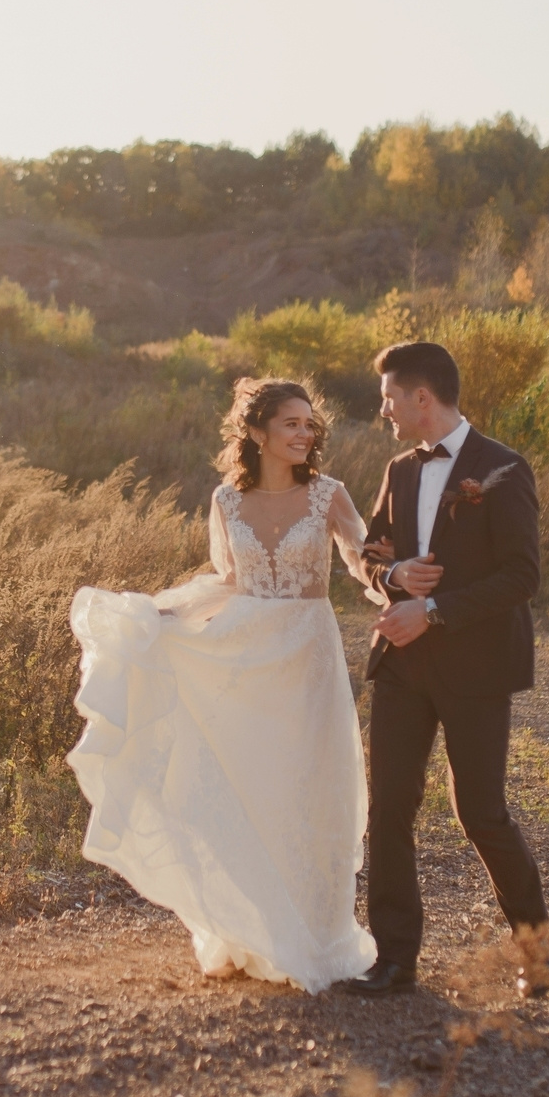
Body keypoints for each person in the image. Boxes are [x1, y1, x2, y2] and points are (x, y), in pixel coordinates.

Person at [65, 378, 379, 991]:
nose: (304, 434)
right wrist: (166, 615)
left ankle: (315, 937)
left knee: (310, 788)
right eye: (291, 423)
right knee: (250, 785)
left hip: (307, 657)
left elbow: (362, 559)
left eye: (309, 424)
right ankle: (249, 931)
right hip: (244, 655)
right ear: (257, 432)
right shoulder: (226, 501)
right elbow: (230, 581)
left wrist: (400, 585)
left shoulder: (329, 494)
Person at [338, 340, 549, 997]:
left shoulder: (504, 470)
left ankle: (537, 953)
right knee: (388, 808)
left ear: (421, 397)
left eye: (389, 399)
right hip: (402, 665)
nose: (384, 411)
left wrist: (431, 610)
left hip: (477, 665)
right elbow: (371, 554)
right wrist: (392, 576)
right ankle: (394, 960)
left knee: (480, 812)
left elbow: (522, 575)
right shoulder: (399, 469)